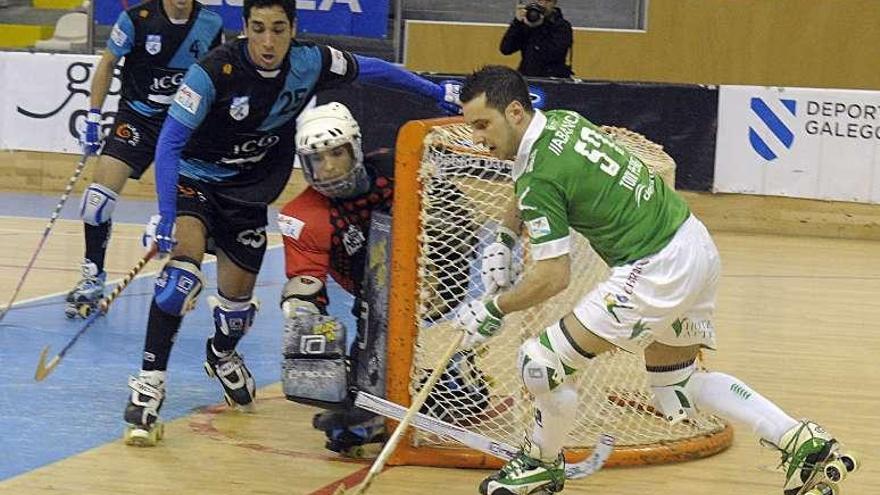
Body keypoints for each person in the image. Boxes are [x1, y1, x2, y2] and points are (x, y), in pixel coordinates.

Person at [454, 65, 857, 495]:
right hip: (693, 242)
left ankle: (540, 463)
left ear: (515, 112)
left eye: (483, 124)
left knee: (541, 363)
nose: (477, 137)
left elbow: (554, 275)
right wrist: (503, 235)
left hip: (657, 267)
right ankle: (800, 439)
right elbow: (527, 176)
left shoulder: (541, 176)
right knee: (678, 383)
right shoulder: (561, 122)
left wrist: (493, 308)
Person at [123, 0, 462, 446]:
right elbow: (169, 142)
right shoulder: (211, 73)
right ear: (244, 28)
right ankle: (149, 388)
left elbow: (373, 69)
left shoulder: (310, 61)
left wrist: (434, 93)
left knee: (235, 312)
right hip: (197, 181)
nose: (268, 41)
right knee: (180, 280)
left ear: (293, 28)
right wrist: (167, 217)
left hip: (247, 195)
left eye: (278, 29)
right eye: (259, 29)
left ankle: (221, 353)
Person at [279, 102, 484, 456]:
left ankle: (403, 388)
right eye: (317, 159)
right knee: (346, 435)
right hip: (369, 296)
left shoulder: (403, 168)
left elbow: (462, 227)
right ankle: (447, 380)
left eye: (336, 153)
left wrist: (436, 248)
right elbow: (304, 287)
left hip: (434, 275)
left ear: (355, 147)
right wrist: (312, 343)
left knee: (379, 319)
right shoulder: (302, 215)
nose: (328, 167)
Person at [66, 0, 224, 318]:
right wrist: (94, 116)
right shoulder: (135, 20)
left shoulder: (211, 24)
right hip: (137, 119)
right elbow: (108, 63)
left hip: (185, 123)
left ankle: (213, 289)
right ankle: (92, 277)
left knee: (194, 212)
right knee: (96, 201)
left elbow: (217, 78)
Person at [499, 0, 573, 79]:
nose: (543, 4)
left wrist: (538, 27)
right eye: (539, 0)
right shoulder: (526, 23)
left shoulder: (562, 26)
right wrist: (517, 23)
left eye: (548, 1)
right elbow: (506, 49)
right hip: (527, 76)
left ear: (554, 3)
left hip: (553, 78)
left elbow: (553, 55)